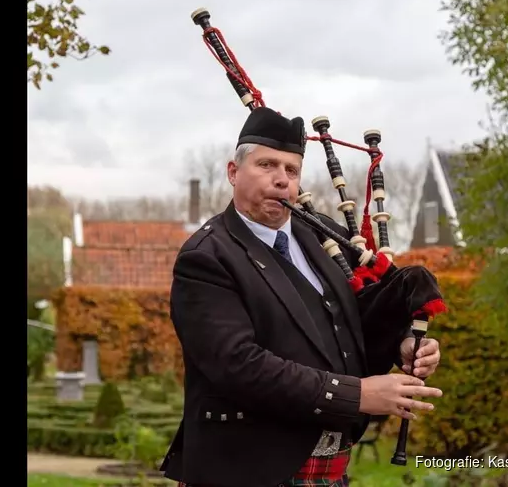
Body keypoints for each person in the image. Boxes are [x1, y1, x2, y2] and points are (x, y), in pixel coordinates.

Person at [160, 107, 445, 487]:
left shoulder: (321, 234)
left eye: (291, 170)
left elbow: (347, 323)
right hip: (243, 472)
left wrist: (402, 345)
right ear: (233, 172)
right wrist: (357, 395)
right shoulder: (207, 257)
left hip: (328, 471)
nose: (281, 181)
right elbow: (239, 366)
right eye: (266, 165)